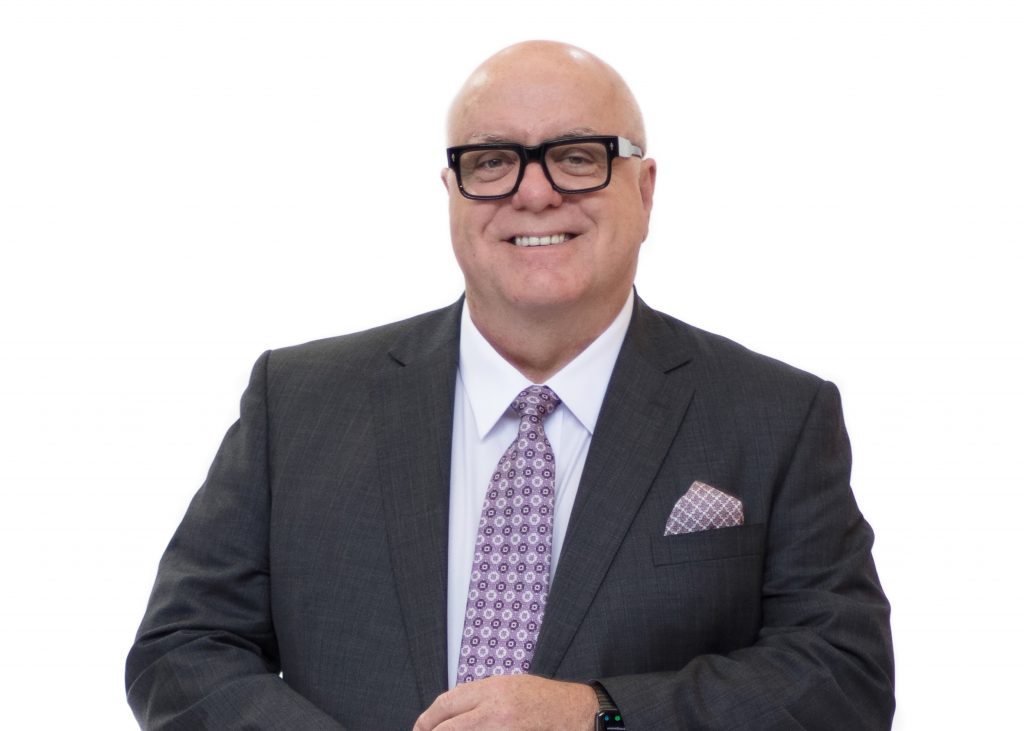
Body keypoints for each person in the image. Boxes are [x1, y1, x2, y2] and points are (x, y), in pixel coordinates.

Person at [126, 40, 895, 730]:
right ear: (452, 191)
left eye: (578, 155)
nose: (534, 193)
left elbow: (843, 677)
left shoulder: (778, 416)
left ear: (646, 189)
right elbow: (181, 648)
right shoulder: (296, 402)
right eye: (492, 161)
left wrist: (599, 715)